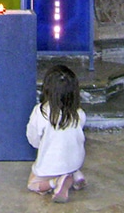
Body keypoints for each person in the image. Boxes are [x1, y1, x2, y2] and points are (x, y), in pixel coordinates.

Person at [26, 64, 87, 203]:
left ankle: (56, 181)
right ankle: (74, 174)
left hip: (50, 164)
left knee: (32, 184)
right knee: (68, 158)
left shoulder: (40, 111)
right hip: (76, 160)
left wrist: (40, 147)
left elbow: (33, 137)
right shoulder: (79, 113)